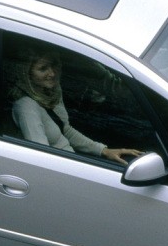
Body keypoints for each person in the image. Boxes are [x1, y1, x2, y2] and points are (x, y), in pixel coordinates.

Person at [8, 45, 143, 165]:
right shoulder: (26, 108)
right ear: (27, 73)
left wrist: (104, 151)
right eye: (43, 69)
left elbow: (65, 130)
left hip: (71, 160)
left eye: (54, 64)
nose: (52, 73)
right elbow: (41, 159)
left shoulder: (51, 90)